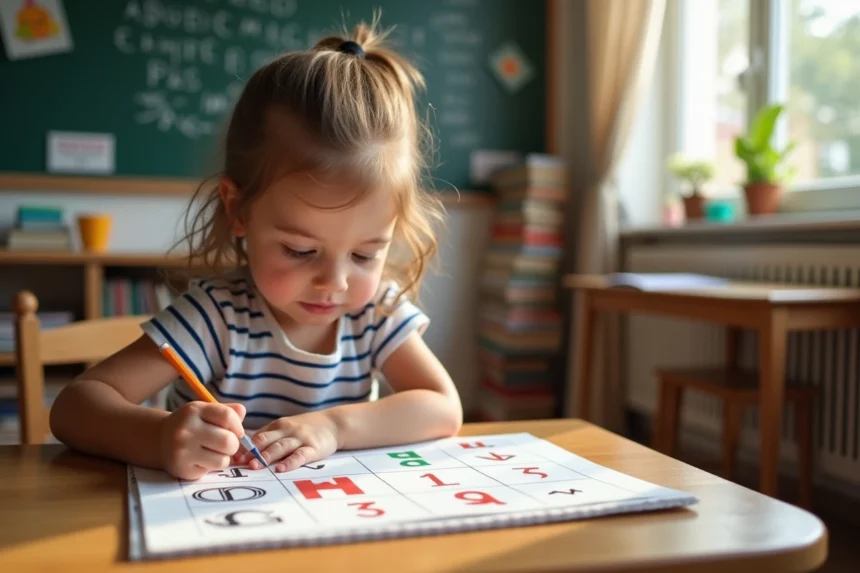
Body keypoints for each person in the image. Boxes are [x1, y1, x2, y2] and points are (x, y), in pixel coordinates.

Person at [49, 17, 463, 481]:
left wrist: (335, 426)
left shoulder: (378, 314)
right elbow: (75, 407)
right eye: (301, 250)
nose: (337, 282)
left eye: (366, 255)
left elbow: (443, 407)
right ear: (239, 209)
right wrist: (160, 438)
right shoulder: (216, 316)